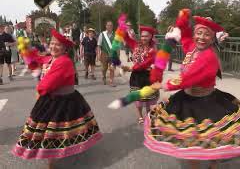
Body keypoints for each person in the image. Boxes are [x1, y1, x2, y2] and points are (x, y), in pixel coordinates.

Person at [144, 9, 240, 169]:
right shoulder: (192, 49)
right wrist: (182, 20)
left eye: (206, 34)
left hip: (207, 101)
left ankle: (214, 164)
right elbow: (187, 36)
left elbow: (190, 77)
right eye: (199, 33)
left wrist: (166, 85)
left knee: (214, 137)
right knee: (191, 143)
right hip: (187, 98)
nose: (201, 37)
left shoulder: (209, 56)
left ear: (212, 39)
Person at [11, 29, 102, 169]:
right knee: (54, 131)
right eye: (52, 43)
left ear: (65, 49)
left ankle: (52, 160)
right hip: (52, 98)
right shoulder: (51, 58)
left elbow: (47, 84)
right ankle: (54, 156)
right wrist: (25, 50)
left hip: (63, 101)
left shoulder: (64, 62)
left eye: (58, 45)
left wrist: (39, 90)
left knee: (54, 131)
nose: (53, 46)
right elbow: (38, 59)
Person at [122, 25, 159, 124]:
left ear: (151, 37)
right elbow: (126, 38)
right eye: (142, 36)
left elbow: (144, 64)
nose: (144, 38)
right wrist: (123, 28)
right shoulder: (136, 45)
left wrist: (130, 68)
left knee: (148, 100)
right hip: (136, 77)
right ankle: (139, 116)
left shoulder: (153, 50)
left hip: (147, 75)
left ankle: (148, 115)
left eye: (146, 36)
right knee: (138, 100)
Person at [97, 21, 116, 86]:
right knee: (104, 68)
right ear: (106, 26)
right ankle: (104, 76)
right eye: (108, 25)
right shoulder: (102, 34)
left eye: (111, 25)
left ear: (112, 27)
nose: (109, 27)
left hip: (113, 54)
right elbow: (99, 45)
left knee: (112, 68)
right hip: (104, 53)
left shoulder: (115, 35)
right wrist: (98, 54)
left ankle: (111, 81)